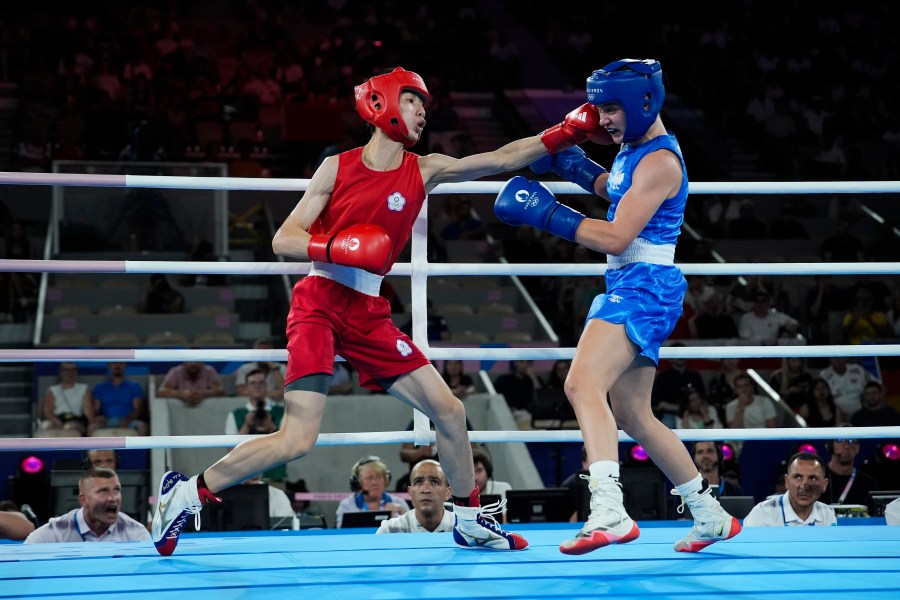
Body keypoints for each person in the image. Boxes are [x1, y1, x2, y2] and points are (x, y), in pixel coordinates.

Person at [151, 65, 550, 554]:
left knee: (450, 410)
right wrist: (338, 246)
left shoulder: (425, 168)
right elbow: (284, 238)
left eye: (424, 105)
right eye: (412, 101)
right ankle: (185, 495)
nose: (422, 111)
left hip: (368, 310)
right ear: (381, 104)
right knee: (297, 439)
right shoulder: (336, 167)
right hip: (319, 301)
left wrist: (566, 131)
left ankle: (468, 519)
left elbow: (503, 157)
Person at [492, 58, 740, 554]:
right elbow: (615, 192)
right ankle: (710, 514)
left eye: (610, 108)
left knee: (581, 383)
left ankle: (610, 511)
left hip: (644, 285)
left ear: (642, 102)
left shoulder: (660, 162)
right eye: (598, 108)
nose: (601, 119)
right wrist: (576, 167)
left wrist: (547, 214)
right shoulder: (633, 150)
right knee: (632, 412)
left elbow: (617, 233)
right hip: (635, 282)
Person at [25, 468, 150, 543]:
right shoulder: (57, 531)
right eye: (103, 491)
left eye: (116, 490)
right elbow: (23, 560)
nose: (113, 498)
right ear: (83, 500)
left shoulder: (135, 532)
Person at [224, 368, 286, 483]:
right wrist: (246, 426)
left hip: (274, 477)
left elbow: (288, 449)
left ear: (266, 386)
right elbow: (231, 452)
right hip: (244, 478)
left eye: (261, 382)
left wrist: (272, 428)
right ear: (246, 388)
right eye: (253, 383)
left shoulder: (281, 412)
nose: (257, 386)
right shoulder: (235, 414)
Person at [743, 452, 836, 527]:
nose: (804, 485)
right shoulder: (762, 514)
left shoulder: (827, 514)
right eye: (798, 477)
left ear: (824, 485)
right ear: (786, 481)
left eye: (813, 478)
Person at [376, 459, 455, 534]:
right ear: (410, 492)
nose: (425, 490)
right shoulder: (390, 530)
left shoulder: (462, 528)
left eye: (435, 482)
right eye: (418, 482)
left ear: (447, 493)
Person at [336, 456, 409, 529]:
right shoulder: (347, 505)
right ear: (358, 483)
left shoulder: (399, 503)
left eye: (379, 477)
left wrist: (403, 513)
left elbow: (412, 532)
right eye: (369, 478)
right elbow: (341, 534)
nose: (374, 482)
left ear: (386, 480)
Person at [86, 362, 149, 436]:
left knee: (142, 427)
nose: (117, 366)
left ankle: (140, 448)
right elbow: (96, 409)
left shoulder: (134, 386)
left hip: (129, 420)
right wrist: (98, 418)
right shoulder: (100, 387)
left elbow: (138, 408)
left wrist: (127, 420)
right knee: (92, 427)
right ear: (109, 365)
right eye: (114, 363)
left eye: (121, 363)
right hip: (107, 421)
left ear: (125, 365)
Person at [822, 433, 880, 513]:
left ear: (858, 448)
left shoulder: (868, 483)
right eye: (840, 440)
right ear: (830, 446)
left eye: (852, 440)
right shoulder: (817, 479)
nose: (846, 445)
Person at [38, 362, 90, 435]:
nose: (70, 373)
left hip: (77, 420)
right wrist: (58, 422)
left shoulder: (84, 389)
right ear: (61, 372)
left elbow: (88, 412)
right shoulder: (53, 390)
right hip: (57, 419)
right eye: (66, 370)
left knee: (69, 427)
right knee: (45, 426)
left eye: (73, 370)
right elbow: (48, 410)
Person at [157, 361, 225, 407]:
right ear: (184, 362)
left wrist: (203, 394)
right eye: (190, 361)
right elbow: (162, 391)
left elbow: (220, 391)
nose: (193, 364)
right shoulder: (176, 371)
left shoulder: (209, 371)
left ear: (202, 362)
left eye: (197, 361)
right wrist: (182, 394)